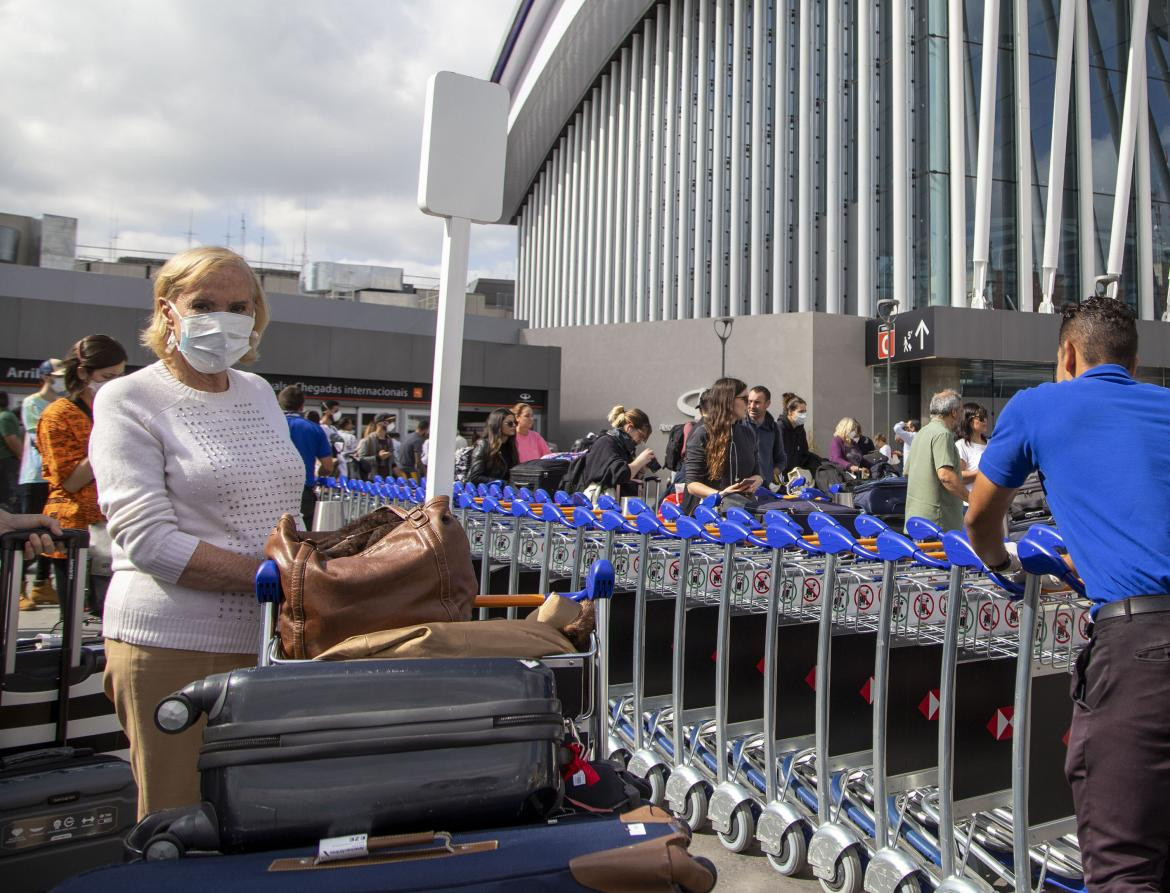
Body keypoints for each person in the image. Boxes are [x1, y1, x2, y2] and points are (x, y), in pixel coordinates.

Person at [89, 246, 305, 819]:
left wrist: (310, 564)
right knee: (180, 819)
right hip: (169, 642)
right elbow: (145, 538)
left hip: (264, 643)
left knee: (257, 816)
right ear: (168, 311)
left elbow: (282, 504)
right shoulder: (128, 399)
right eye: (203, 303)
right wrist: (275, 577)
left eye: (239, 305)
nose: (223, 318)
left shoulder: (258, 391)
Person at [966, 297, 1170, 891]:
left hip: (1138, 651)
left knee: (1124, 862)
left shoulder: (1039, 405)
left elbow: (981, 517)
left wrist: (1003, 563)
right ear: (1134, 362)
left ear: (1068, 353)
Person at [38, 334, 128, 615]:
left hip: (116, 521)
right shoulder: (58, 415)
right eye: (107, 375)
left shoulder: (118, 410)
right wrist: (105, 437)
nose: (114, 383)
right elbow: (70, 480)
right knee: (77, 615)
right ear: (82, 373)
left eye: (119, 376)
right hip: (75, 525)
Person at [16, 359, 67, 610]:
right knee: (28, 535)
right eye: (58, 375)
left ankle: (41, 585)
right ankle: (17, 588)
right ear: (46, 376)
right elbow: (39, 437)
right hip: (35, 476)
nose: (62, 379)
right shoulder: (32, 402)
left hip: (55, 479)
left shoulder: (62, 404)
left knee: (53, 533)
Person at [683, 377, 764, 513]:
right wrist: (721, 495)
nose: (749, 405)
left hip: (742, 511)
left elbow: (757, 473)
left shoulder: (748, 432)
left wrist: (757, 480)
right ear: (728, 401)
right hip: (708, 516)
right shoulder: (702, 433)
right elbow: (692, 485)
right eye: (745, 400)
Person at [902, 390, 966, 533]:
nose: (962, 415)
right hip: (938, 522)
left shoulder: (921, 433)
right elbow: (945, 476)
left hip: (917, 519)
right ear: (954, 412)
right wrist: (972, 499)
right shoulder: (943, 434)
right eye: (961, 411)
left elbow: (908, 473)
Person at [278, 385, 335, 529]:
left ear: (280, 404)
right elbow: (328, 466)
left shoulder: (270, 425)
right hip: (303, 492)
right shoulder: (314, 428)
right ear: (302, 405)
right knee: (302, 537)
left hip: (272, 490)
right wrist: (320, 472)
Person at [576, 405, 657, 501]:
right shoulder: (606, 442)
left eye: (644, 439)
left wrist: (640, 469)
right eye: (641, 435)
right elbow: (619, 474)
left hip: (616, 503)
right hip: (603, 504)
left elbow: (626, 477)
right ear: (629, 428)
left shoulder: (623, 446)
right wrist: (639, 461)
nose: (641, 441)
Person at [744, 386, 786, 488]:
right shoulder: (739, 424)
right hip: (743, 489)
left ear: (767, 404)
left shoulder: (774, 428)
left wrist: (770, 475)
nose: (752, 406)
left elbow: (781, 459)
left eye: (757, 402)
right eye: (749, 401)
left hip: (765, 489)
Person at [466, 408, 519, 485]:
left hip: (505, 493)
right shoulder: (483, 445)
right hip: (484, 494)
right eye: (510, 423)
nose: (514, 426)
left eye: (515, 423)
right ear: (497, 425)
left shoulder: (511, 447)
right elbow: (474, 477)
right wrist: (501, 482)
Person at [955, 402, 989, 484]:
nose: (985, 420)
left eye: (985, 417)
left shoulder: (990, 443)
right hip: (970, 495)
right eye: (980, 418)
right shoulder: (961, 445)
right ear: (969, 421)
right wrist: (983, 473)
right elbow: (958, 475)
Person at [357, 413, 399, 480]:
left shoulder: (389, 440)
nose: (391, 424)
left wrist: (397, 473)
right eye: (388, 421)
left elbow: (392, 461)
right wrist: (378, 457)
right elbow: (360, 459)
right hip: (371, 479)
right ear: (379, 423)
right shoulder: (368, 440)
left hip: (387, 479)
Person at [778, 393, 811, 476]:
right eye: (801, 412)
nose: (803, 415)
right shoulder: (780, 428)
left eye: (805, 412)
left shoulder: (800, 429)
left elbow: (804, 452)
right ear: (790, 412)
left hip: (796, 475)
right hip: (781, 476)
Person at [0, 392, 21, 513]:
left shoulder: (5, 417)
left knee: (8, 497)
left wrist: (21, 457)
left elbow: (12, 440)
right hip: (6, 463)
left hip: (7, 463)